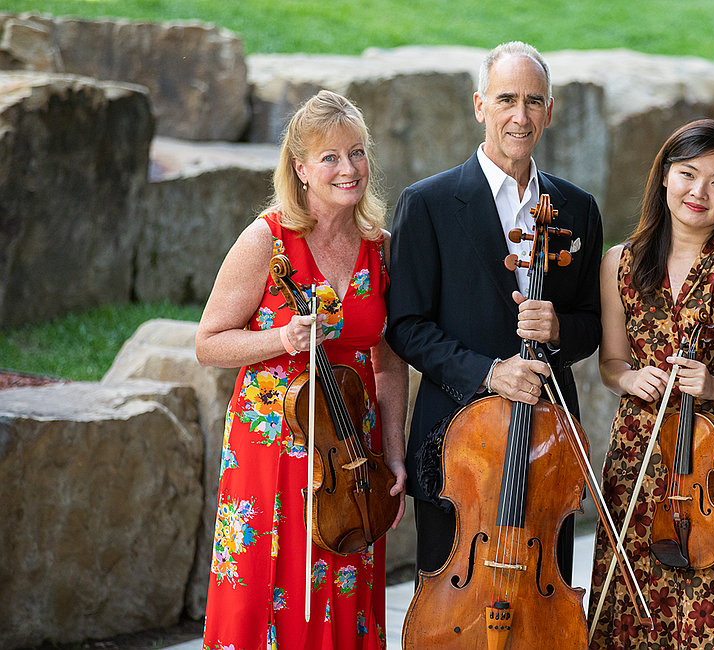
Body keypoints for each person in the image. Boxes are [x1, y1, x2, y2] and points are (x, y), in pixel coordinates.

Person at [196, 90, 408, 650]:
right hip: (275, 455)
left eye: (357, 153)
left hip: (348, 457)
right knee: (268, 594)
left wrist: (392, 454)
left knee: (343, 591)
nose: (348, 168)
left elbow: (389, 365)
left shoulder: (380, 248)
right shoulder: (267, 240)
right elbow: (208, 343)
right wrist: (279, 338)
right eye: (331, 157)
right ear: (300, 169)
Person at [385, 41, 603, 582]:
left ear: (549, 112)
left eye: (534, 101)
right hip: (459, 442)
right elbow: (405, 327)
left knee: (544, 592)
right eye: (507, 99)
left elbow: (591, 324)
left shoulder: (577, 209)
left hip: (547, 439)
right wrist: (487, 373)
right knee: (453, 599)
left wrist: (559, 329)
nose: (520, 115)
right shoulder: (428, 204)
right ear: (480, 105)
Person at [587, 118, 714, 649]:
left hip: (712, 460)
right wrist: (631, 377)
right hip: (640, 450)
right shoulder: (620, 264)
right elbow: (611, 363)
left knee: (708, 597)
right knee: (630, 594)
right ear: (663, 177)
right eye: (687, 174)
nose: (698, 192)